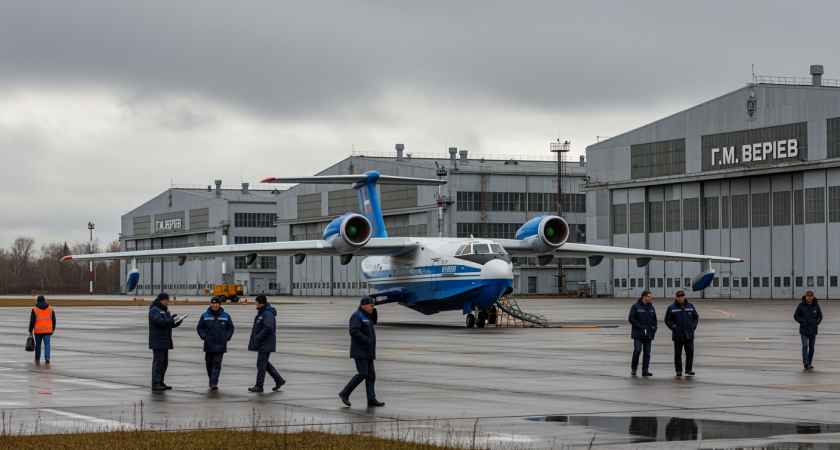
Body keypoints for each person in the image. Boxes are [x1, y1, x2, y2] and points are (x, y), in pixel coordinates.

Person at [339, 296, 384, 407]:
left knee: (371, 375)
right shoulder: (357, 316)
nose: (372, 308)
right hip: (360, 351)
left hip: (368, 351)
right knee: (363, 373)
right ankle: (345, 393)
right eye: (371, 306)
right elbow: (353, 331)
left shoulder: (367, 316)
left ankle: (371, 399)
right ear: (364, 306)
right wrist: (365, 340)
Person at [247, 294, 285, 392]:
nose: (255, 303)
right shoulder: (263, 313)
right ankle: (279, 379)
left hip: (266, 344)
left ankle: (259, 385)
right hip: (263, 344)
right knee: (263, 363)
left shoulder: (268, 314)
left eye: (256, 301)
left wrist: (259, 337)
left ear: (260, 303)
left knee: (261, 364)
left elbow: (268, 328)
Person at [196, 296, 234, 390]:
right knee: (209, 364)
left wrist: (227, 337)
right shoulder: (205, 315)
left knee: (216, 364)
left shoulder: (225, 316)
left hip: (220, 344)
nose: (214, 305)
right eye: (213, 303)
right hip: (209, 344)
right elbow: (199, 327)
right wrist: (204, 336)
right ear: (211, 304)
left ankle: (214, 383)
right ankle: (211, 380)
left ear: (219, 305)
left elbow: (231, 328)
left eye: (216, 303)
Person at [149, 292, 182, 391]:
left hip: (165, 340)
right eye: (166, 300)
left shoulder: (165, 310)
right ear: (160, 300)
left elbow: (168, 324)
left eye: (168, 300)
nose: (167, 302)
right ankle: (155, 383)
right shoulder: (154, 310)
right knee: (158, 362)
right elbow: (159, 322)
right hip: (157, 341)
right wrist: (172, 320)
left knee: (164, 363)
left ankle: (160, 381)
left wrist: (176, 322)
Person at [664, 291, 699, 376]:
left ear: (684, 297)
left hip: (689, 334)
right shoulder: (671, 307)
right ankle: (678, 370)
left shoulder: (690, 306)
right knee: (677, 353)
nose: (680, 298)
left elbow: (696, 317)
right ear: (676, 297)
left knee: (690, 351)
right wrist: (673, 327)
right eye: (679, 296)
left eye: (682, 296)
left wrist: (693, 327)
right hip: (678, 334)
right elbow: (667, 319)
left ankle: (689, 369)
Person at [628, 290, 657, 377]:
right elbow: (631, 318)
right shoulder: (635, 306)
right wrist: (640, 326)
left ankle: (645, 370)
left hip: (648, 334)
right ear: (643, 297)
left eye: (650, 297)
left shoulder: (651, 308)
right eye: (648, 297)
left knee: (647, 353)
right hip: (638, 334)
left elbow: (655, 319)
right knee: (637, 350)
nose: (650, 298)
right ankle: (634, 368)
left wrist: (654, 328)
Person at [794, 289, 822, 370]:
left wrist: (816, 322)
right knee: (805, 346)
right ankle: (805, 361)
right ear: (805, 296)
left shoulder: (816, 306)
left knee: (812, 347)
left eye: (811, 296)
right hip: (804, 329)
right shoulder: (801, 305)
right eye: (808, 296)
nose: (809, 297)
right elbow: (796, 315)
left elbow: (820, 316)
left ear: (813, 297)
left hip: (813, 330)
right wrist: (801, 321)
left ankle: (809, 362)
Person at [29, 295, 56, 363]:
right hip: (48, 330)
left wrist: (30, 330)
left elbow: (32, 321)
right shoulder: (50, 308)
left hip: (38, 330)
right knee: (47, 343)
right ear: (44, 300)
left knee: (38, 344)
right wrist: (53, 329)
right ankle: (47, 357)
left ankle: (37, 358)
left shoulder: (34, 309)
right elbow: (54, 320)